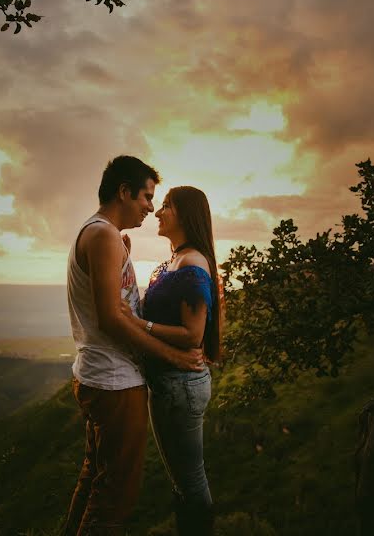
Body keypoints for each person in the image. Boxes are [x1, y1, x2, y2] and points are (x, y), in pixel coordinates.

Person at [63, 156, 205, 536]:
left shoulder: (104, 236)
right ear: (123, 191)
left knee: (95, 479)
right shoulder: (102, 236)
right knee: (116, 495)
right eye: (145, 195)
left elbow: (120, 304)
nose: (150, 206)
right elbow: (111, 318)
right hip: (115, 382)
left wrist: (122, 252)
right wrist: (173, 355)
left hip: (100, 377)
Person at [119, 185, 221, 535]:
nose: (158, 212)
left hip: (182, 386)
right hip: (169, 385)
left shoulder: (192, 263)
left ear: (186, 215)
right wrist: (124, 259)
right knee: (181, 482)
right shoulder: (173, 262)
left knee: (190, 481)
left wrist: (139, 324)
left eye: (167, 206)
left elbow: (193, 335)